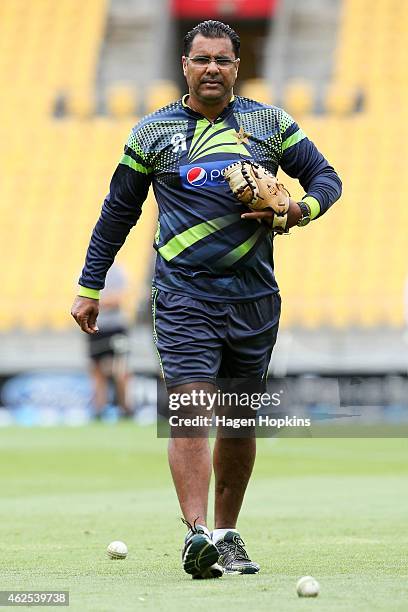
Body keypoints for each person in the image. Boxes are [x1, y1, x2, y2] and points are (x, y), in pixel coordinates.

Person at [71, 20, 342, 579]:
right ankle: (197, 536)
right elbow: (117, 212)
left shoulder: (270, 124)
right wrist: (89, 285)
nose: (212, 67)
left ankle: (226, 533)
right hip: (181, 297)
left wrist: (298, 210)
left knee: (240, 421)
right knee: (191, 407)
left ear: (237, 67)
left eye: (222, 59)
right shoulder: (152, 133)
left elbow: (326, 178)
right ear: (185, 66)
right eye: (201, 59)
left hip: (254, 299)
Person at [85, 263, 132, 420]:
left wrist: (96, 301)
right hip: (94, 326)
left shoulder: (118, 272)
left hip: (116, 328)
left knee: (121, 369)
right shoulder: (86, 271)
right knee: (97, 369)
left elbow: (118, 299)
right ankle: (99, 408)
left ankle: (125, 409)